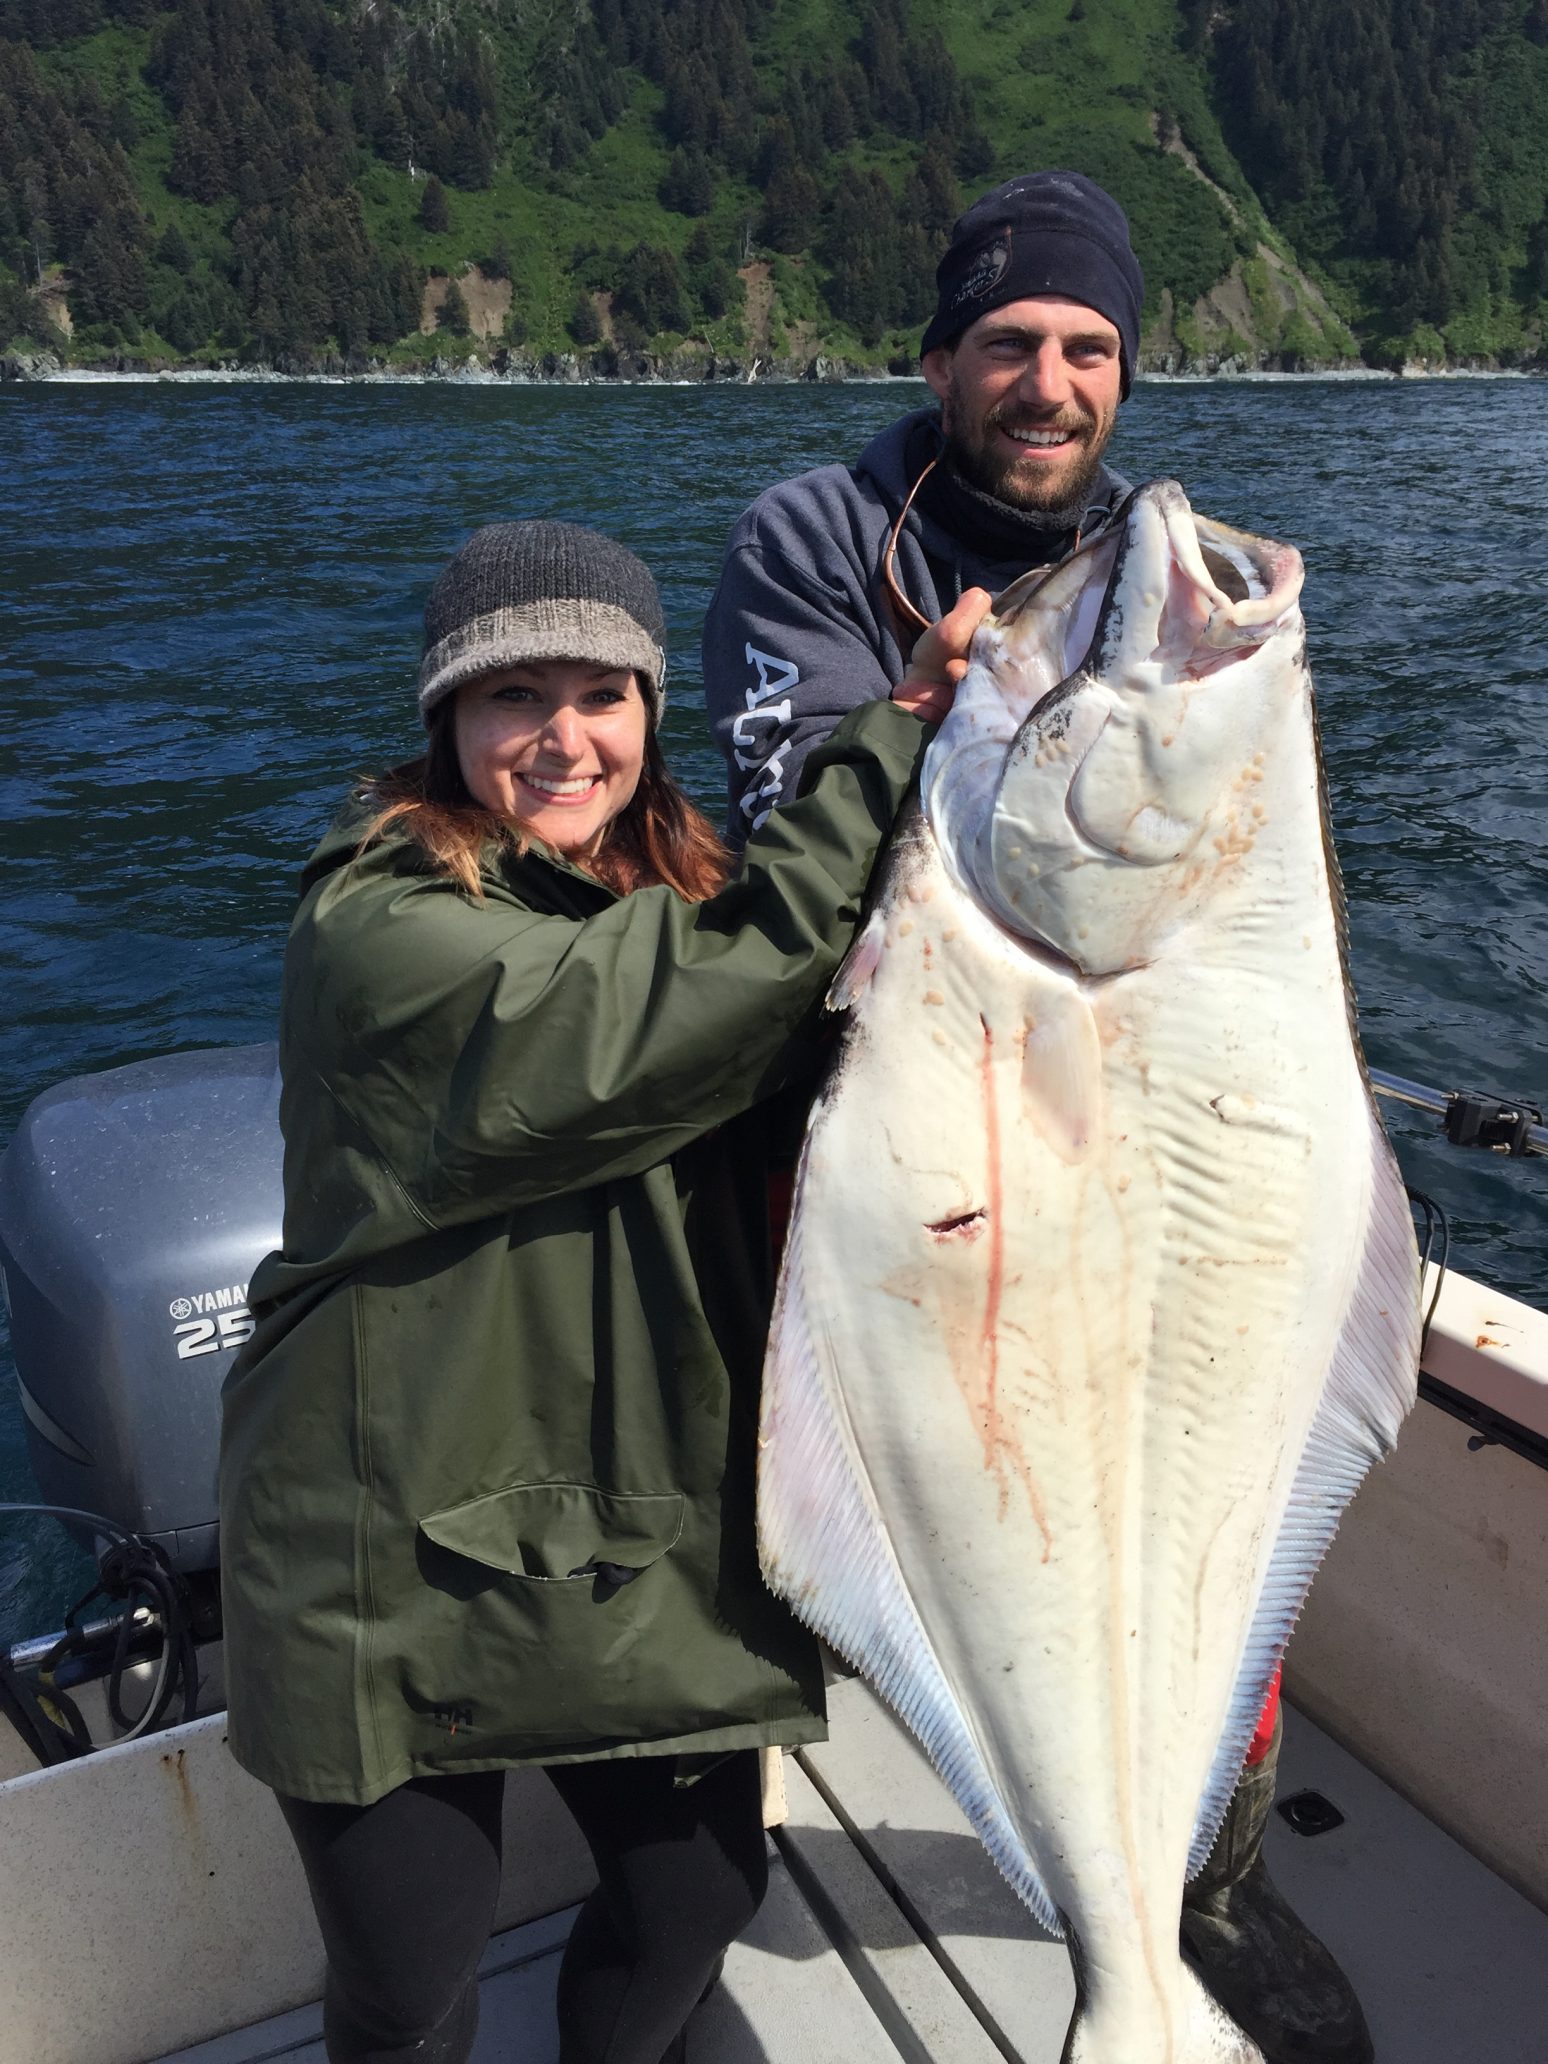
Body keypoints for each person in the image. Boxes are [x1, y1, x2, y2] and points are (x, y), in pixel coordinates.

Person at [703, 173, 1374, 2064]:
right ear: (941, 361)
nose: (1050, 382)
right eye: (1010, 342)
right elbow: (805, 844)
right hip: (909, 1157)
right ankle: (709, 1851)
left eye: (1089, 349)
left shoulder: (1123, 555)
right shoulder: (818, 536)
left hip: (1122, 1124)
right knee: (923, 1524)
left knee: (1195, 1542)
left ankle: (1182, 1909)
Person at [218, 518, 974, 2064]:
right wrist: (891, 733)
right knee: (409, 1976)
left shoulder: (695, 887)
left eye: (603, 695)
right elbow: (680, 1001)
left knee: (697, 1903)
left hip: (639, 1515)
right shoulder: (378, 928)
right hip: (386, 1548)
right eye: (515, 700)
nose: (565, 739)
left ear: (649, 710)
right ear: (448, 723)